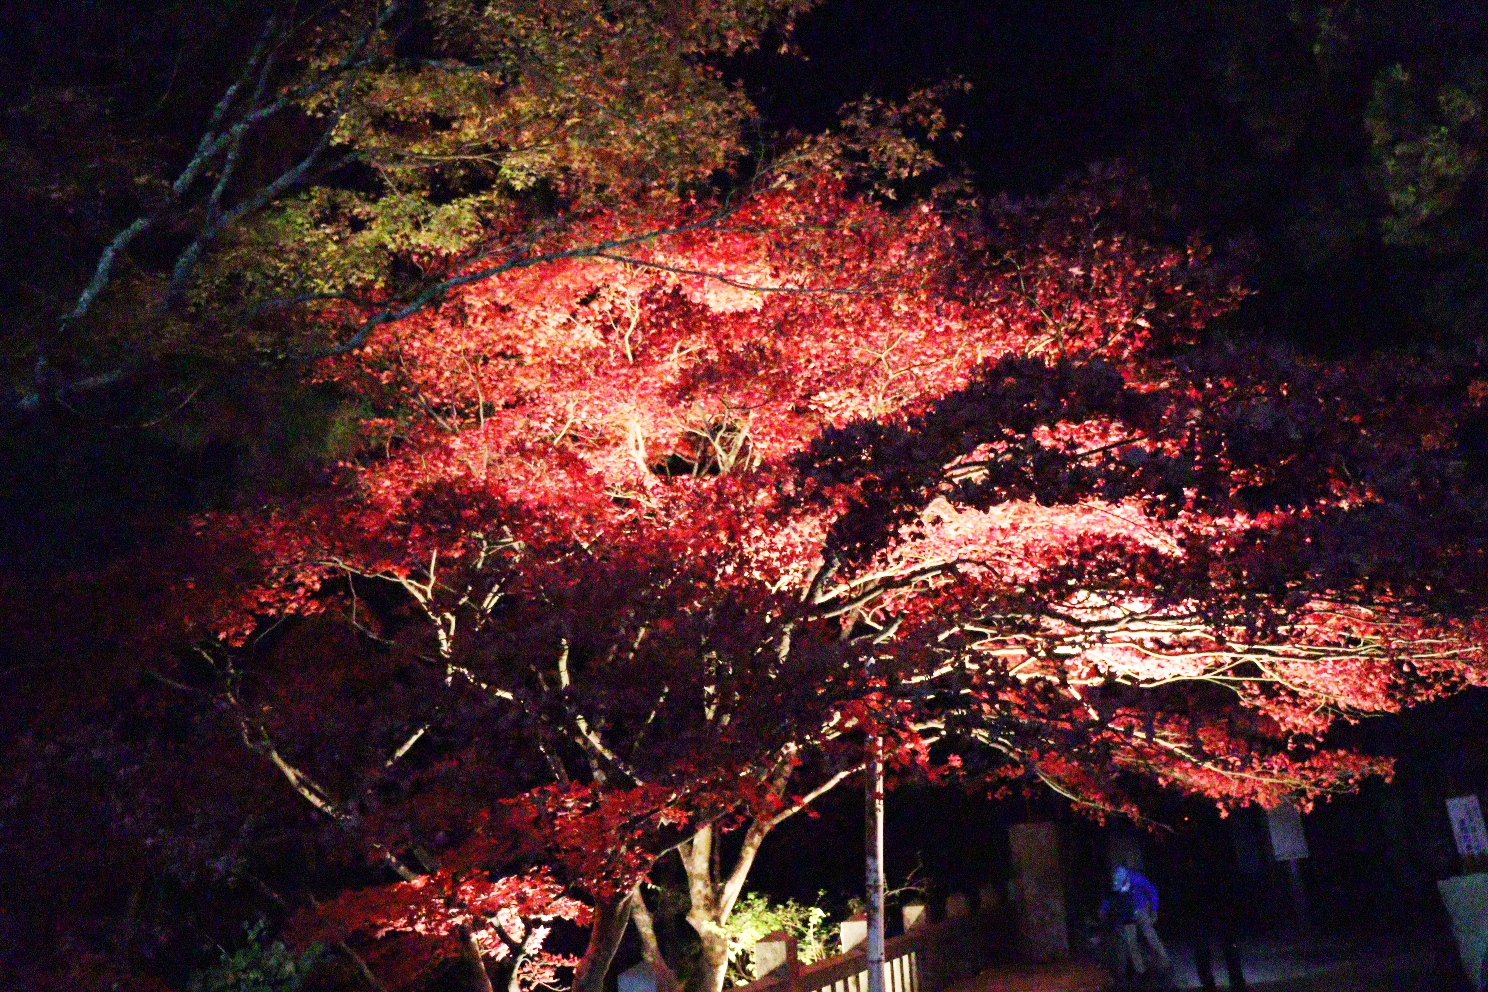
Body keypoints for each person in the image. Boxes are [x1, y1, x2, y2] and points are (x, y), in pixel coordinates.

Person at [1100, 866, 1171, 985]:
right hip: (1127, 913)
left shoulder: (1137, 879)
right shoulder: (1118, 881)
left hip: (1141, 908)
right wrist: (1103, 909)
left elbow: (1152, 891)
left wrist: (1154, 910)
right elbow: (1111, 896)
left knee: (1150, 936)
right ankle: (1140, 970)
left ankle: (1165, 960)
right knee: (1131, 942)